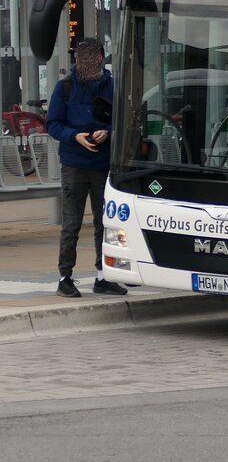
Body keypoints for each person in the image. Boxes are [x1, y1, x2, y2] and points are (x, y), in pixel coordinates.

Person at [46, 36, 127, 298]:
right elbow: (52, 124)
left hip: (103, 164)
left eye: (91, 57)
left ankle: (104, 276)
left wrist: (108, 132)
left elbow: (125, 119)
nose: (85, 62)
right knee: (71, 223)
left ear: (101, 58)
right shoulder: (65, 87)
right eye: (81, 58)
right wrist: (74, 136)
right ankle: (65, 278)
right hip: (74, 164)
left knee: (106, 223)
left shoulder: (113, 86)